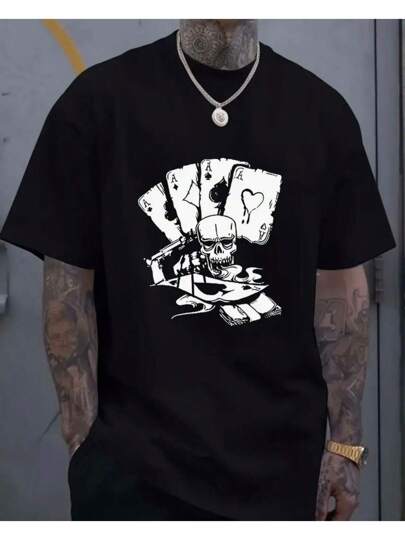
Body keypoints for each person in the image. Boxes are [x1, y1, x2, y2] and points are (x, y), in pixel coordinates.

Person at [0, 20, 396, 520]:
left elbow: (343, 295)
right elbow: (67, 289)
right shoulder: (98, 104)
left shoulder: (322, 115)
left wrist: (344, 446)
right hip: (135, 478)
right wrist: (85, 447)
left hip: (283, 476)